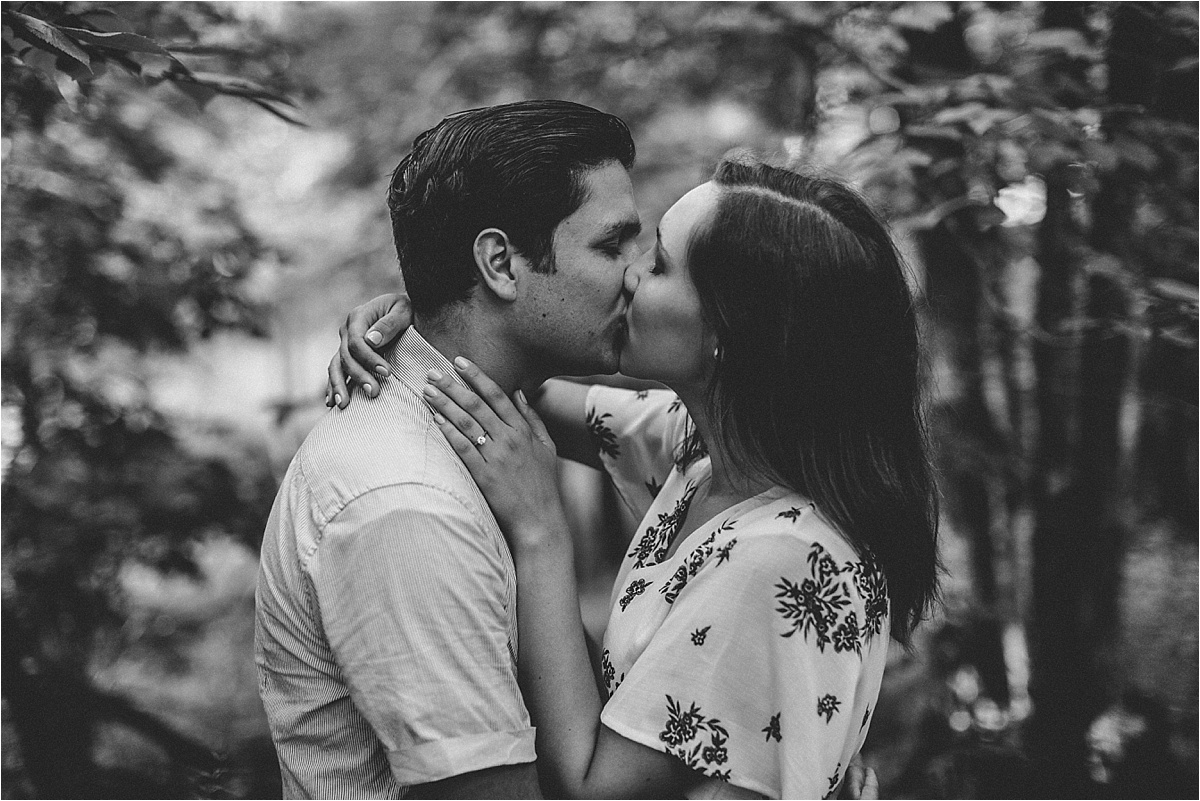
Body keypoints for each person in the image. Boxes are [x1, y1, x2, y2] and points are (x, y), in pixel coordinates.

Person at [331, 157, 937, 798]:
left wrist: (540, 531)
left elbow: (589, 789)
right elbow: (495, 386)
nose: (630, 273)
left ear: (730, 335)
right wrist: (414, 322)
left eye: (662, 265)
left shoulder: (782, 558)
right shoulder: (700, 452)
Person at [254, 99, 643, 798]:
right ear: (499, 262)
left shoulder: (497, 430)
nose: (637, 275)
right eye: (613, 246)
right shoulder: (408, 503)